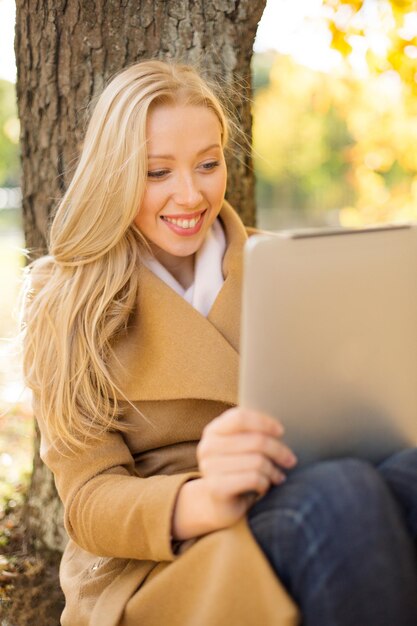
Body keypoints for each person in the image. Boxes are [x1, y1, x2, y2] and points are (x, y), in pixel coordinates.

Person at [21, 59, 417, 626]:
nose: (190, 196)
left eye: (208, 164)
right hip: (161, 557)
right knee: (340, 496)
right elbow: (88, 501)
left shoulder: (289, 263)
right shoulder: (65, 298)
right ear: (114, 172)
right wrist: (202, 498)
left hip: (306, 482)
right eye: (157, 172)